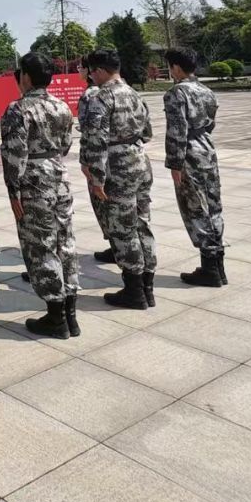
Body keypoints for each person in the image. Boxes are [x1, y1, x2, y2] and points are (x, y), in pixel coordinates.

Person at [1, 52, 79, 338]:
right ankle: (71, 314)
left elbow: (14, 154)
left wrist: (13, 191)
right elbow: (66, 144)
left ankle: (56, 316)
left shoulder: (18, 109)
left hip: (33, 181)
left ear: (26, 76)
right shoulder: (61, 106)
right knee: (64, 241)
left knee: (41, 245)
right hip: (59, 176)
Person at [79, 49, 156, 310]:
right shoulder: (134, 94)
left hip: (117, 168)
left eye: (92, 72)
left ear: (100, 71)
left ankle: (134, 291)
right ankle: (147, 286)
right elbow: (147, 132)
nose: (91, 76)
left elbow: (96, 140)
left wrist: (97, 178)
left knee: (123, 228)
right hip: (140, 161)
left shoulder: (102, 97)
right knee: (142, 222)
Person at [164, 46, 226, 286]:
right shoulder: (206, 90)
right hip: (207, 149)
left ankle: (209, 268)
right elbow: (211, 124)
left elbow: (177, 131)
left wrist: (175, 163)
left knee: (195, 208)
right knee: (213, 206)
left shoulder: (176, 93)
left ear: (176, 67)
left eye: (170, 67)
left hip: (189, 153)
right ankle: (218, 265)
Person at [76, 66, 118, 265]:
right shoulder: (120, 90)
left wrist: (85, 160)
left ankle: (117, 246)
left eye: (81, 68)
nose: (79, 71)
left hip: (101, 157)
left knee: (103, 202)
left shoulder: (90, 96)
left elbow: (89, 133)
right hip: (121, 156)